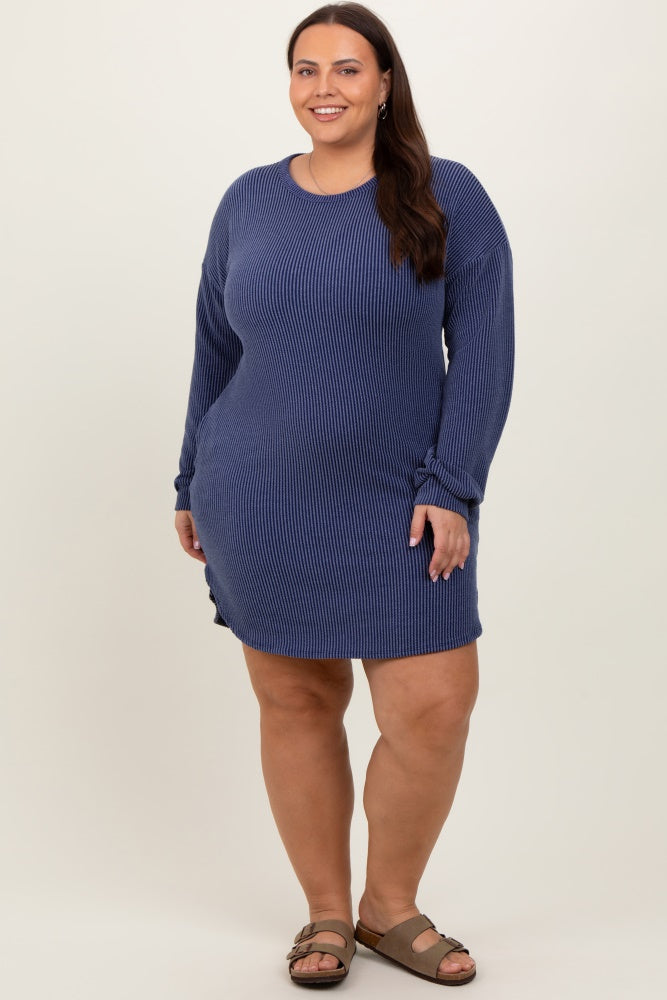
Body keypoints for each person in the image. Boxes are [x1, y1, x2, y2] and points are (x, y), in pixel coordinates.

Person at [173, 1, 514, 988]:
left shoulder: (447, 195)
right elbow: (215, 348)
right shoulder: (248, 201)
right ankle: (325, 911)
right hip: (259, 495)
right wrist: (190, 477)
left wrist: (453, 485)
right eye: (305, 69)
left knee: (435, 704)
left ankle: (388, 908)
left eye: (346, 69)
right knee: (296, 697)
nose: (323, 88)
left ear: (384, 83)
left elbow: (482, 350)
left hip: (400, 498)